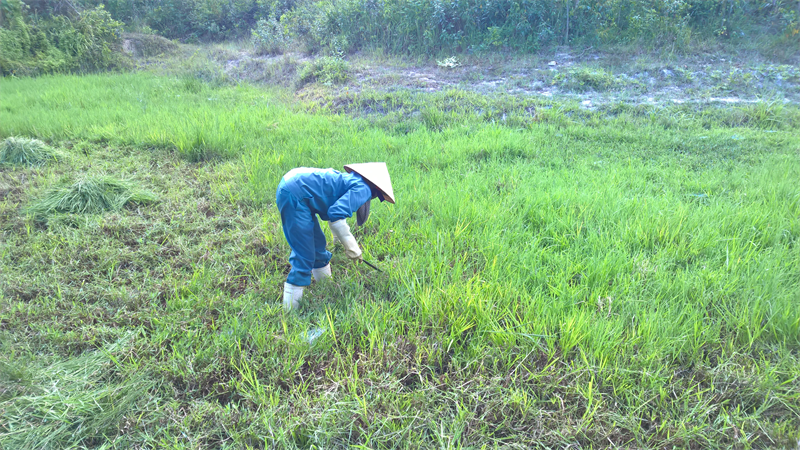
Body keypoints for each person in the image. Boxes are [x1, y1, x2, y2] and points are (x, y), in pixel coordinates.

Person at [275, 163, 395, 310]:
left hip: (295, 185)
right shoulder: (363, 189)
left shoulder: (354, 181)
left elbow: (336, 210)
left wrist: (338, 239)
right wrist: (353, 248)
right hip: (294, 194)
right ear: (377, 190)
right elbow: (336, 215)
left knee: (317, 244)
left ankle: (326, 289)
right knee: (304, 253)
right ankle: (290, 313)